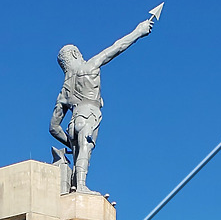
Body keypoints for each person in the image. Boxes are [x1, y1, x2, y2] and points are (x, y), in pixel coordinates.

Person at [49, 16, 154, 192]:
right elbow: (117, 47)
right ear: (75, 54)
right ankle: (81, 186)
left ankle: (76, 185)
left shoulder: (64, 90)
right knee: (85, 151)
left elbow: (53, 127)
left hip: (73, 121)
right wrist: (139, 32)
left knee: (79, 152)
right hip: (90, 114)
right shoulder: (89, 67)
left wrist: (70, 142)